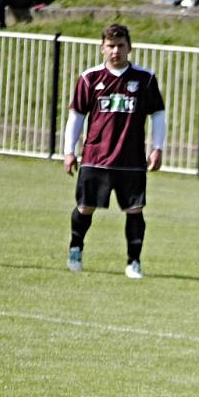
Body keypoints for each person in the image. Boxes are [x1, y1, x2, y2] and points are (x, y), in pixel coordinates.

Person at [63, 23, 166, 279]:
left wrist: (157, 148)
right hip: (95, 157)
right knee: (85, 207)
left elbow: (158, 114)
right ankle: (75, 249)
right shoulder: (90, 78)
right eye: (110, 46)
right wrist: (69, 150)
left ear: (129, 48)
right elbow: (76, 115)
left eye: (120, 46)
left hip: (130, 159)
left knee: (134, 210)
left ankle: (134, 262)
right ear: (102, 48)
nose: (115, 51)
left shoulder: (145, 79)